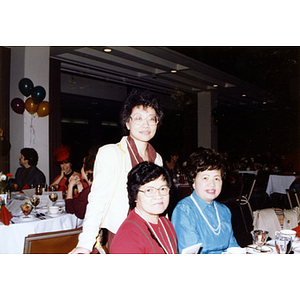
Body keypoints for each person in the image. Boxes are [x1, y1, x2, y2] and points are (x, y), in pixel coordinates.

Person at [70, 89, 164, 254]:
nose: (146, 124)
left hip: (153, 232)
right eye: (138, 118)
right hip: (124, 234)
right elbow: (97, 200)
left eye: (151, 119)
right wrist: (85, 244)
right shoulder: (111, 153)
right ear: (127, 123)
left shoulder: (157, 159)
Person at [171, 147, 240, 254]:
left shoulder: (224, 211)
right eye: (205, 178)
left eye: (216, 178)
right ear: (193, 181)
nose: (212, 184)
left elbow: (233, 248)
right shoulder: (184, 210)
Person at [110, 162, 177, 254]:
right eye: (149, 190)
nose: (158, 195)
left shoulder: (166, 223)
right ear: (135, 195)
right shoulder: (127, 237)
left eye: (162, 189)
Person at [65, 151, 97, 219]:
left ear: (87, 171)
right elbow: (83, 201)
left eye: (82, 167)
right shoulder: (93, 187)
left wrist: (70, 186)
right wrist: (79, 185)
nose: (81, 169)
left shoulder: (88, 191)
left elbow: (69, 208)